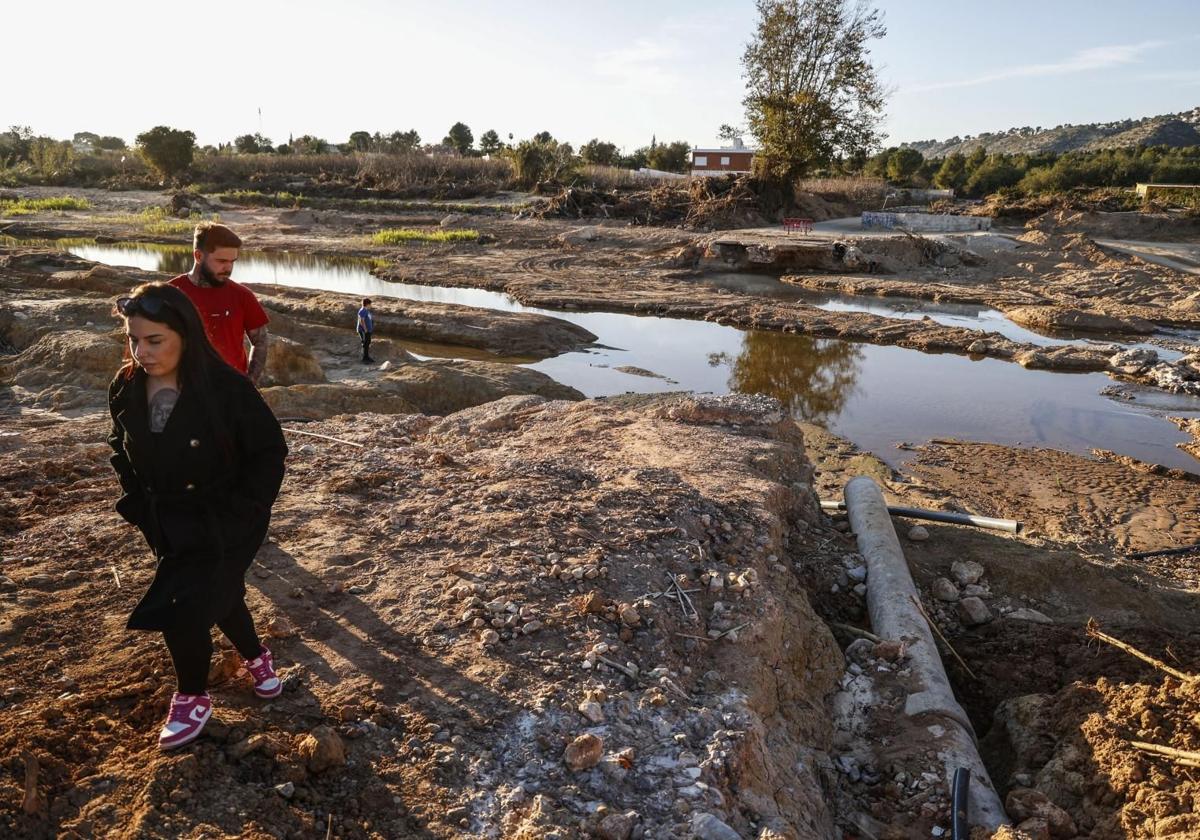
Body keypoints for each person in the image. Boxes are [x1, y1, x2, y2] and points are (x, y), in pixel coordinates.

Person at [107, 282, 288, 750]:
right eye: (133, 339)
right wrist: (137, 500)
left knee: (181, 607)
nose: (141, 351)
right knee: (220, 592)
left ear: (184, 333)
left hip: (226, 517)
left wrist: (242, 511)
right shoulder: (126, 386)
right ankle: (256, 656)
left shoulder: (226, 387)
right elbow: (119, 446)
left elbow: (269, 453)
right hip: (165, 517)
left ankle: (192, 696)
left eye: (154, 340)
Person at [170, 222, 270, 385]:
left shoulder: (242, 296)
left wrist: (249, 383)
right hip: (183, 389)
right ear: (198, 256)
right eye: (222, 261)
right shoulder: (172, 292)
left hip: (230, 392)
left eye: (232, 261)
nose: (228, 268)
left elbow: (261, 341)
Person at [357, 297, 375, 364]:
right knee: (365, 344)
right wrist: (365, 329)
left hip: (367, 330)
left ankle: (366, 357)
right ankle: (365, 358)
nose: (371, 305)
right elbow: (361, 320)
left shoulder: (366, 310)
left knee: (367, 343)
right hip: (363, 330)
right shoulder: (362, 310)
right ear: (367, 304)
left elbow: (368, 320)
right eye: (370, 304)